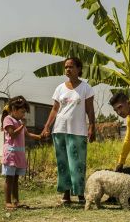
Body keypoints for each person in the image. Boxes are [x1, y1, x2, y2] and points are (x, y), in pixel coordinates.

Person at [41, 57, 95, 205]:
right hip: (59, 130)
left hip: (78, 131)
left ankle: (80, 195)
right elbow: (55, 109)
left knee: (77, 164)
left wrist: (92, 126)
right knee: (63, 163)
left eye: (71, 67)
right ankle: (66, 195)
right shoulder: (60, 88)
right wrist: (47, 126)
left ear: (79, 69)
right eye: (66, 67)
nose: (68, 70)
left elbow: (90, 110)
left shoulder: (86, 88)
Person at [1, 95, 41, 210]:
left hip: (19, 154)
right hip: (11, 154)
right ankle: (8, 202)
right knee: (9, 179)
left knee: (16, 179)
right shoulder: (8, 119)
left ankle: (16, 201)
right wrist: (22, 125)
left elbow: (27, 134)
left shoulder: (19, 121)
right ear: (14, 110)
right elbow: (12, 134)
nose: (24, 114)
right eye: (22, 112)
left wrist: (40, 136)